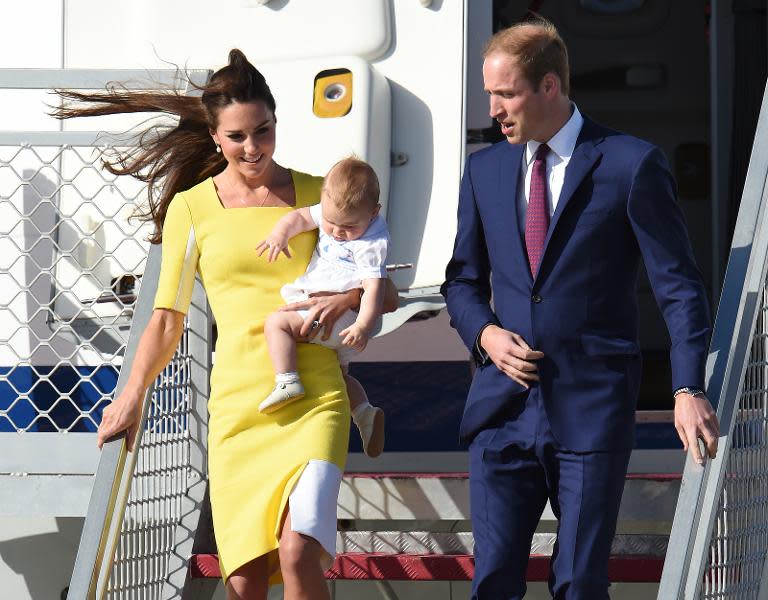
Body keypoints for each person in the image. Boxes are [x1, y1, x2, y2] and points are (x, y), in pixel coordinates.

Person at [54, 49, 396, 600]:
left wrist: (350, 296)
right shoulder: (191, 208)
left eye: (263, 131)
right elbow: (166, 318)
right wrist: (131, 395)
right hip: (239, 404)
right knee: (242, 580)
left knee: (299, 549)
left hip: (315, 395)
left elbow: (387, 283)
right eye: (237, 136)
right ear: (215, 137)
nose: (253, 147)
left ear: (277, 123)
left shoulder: (321, 194)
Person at [441, 18, 720, 600]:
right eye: (489, 94)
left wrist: (688, 388)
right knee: (491, 582)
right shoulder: (485, 170)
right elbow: (462, 283)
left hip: (591, 407)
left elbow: (678, 286)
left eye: (506, 93)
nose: (494, 109)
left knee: (578, 582)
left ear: (549, 86)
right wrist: (486, 334)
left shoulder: (629, 163)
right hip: (502, 409)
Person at [255, 156, 388, 458]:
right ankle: (364, 413)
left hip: (335, 315)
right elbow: (301, 218)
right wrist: (280, 233)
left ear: (374, 213)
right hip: (342, 327)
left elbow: (375, 288)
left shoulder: (371, 242)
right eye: (331, 223)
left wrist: (362, 326)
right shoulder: (339, 211)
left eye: (349, 227)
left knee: (277, 324)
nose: (337, 232)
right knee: (340, 375)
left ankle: (287, 380)